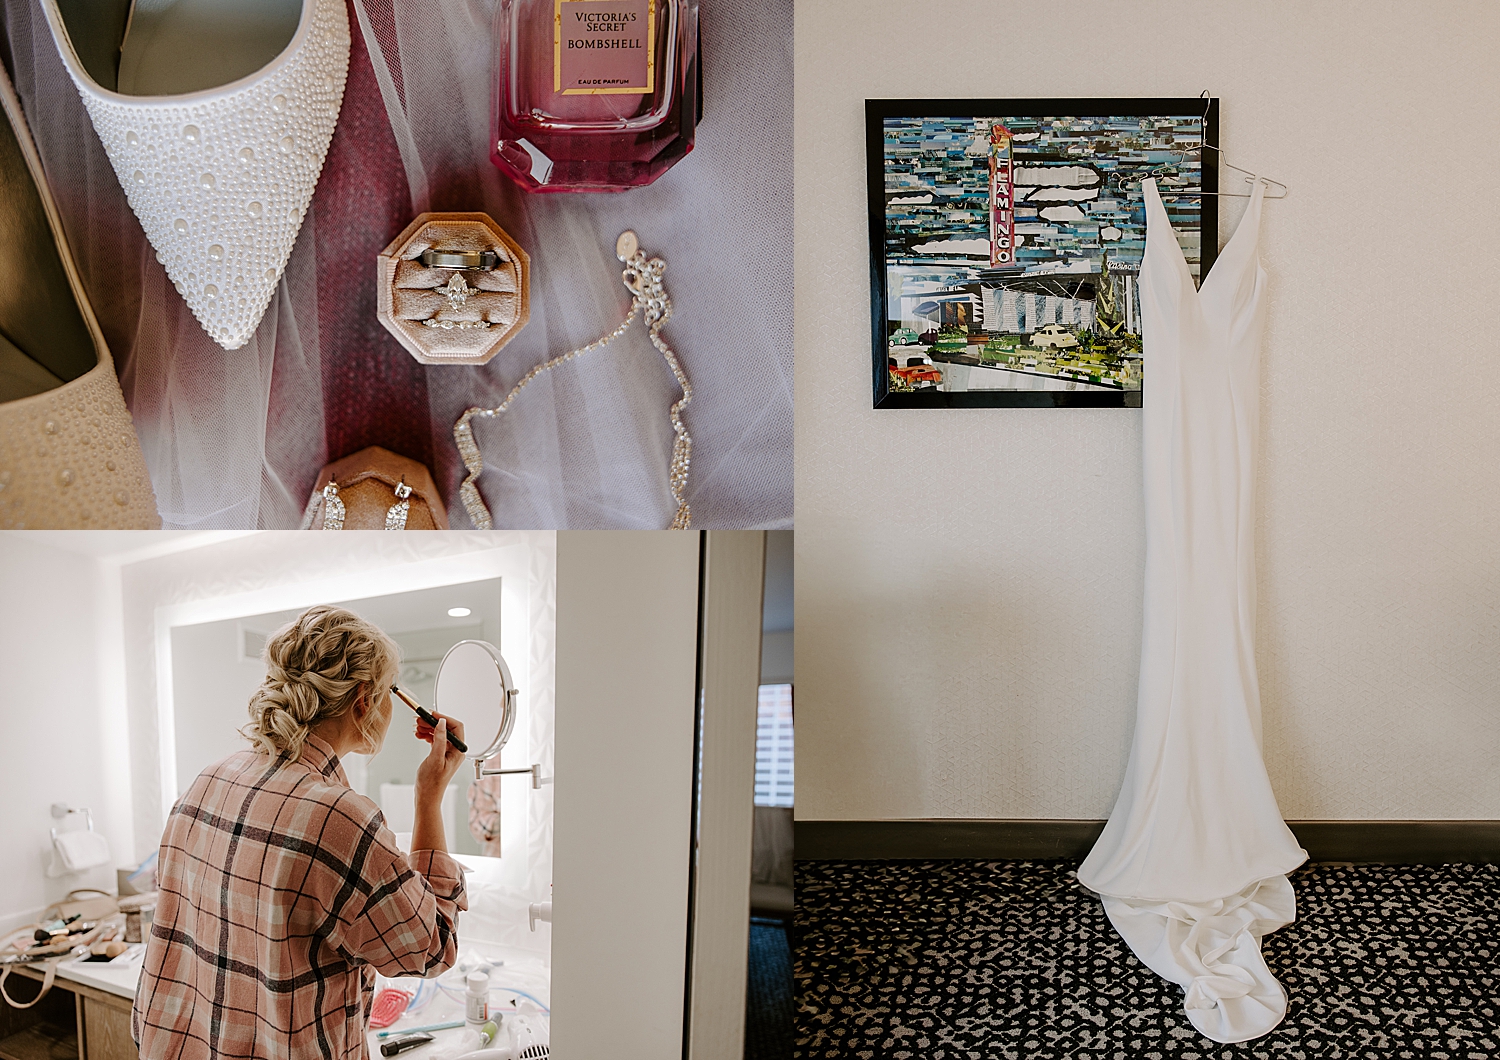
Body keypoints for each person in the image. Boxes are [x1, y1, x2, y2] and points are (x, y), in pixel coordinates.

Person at [131, 605, 468, 1059]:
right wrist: (429, 799)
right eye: (390, 691)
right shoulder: (341, 818)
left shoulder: (209, 779)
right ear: (364, 699)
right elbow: (430, 948)